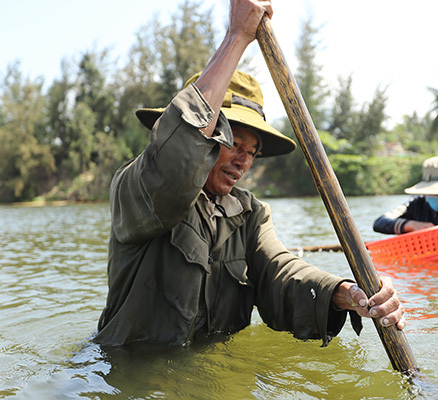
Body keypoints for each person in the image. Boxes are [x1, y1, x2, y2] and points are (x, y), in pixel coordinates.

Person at [94, 0, 405, 348]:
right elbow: (179, 158)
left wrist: (346, 293)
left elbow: (282, 271)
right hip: (130, 368)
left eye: (252, 152)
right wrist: (237, 36)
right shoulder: (138, 190)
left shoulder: (250, 214)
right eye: (233, 143)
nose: (244, 160)